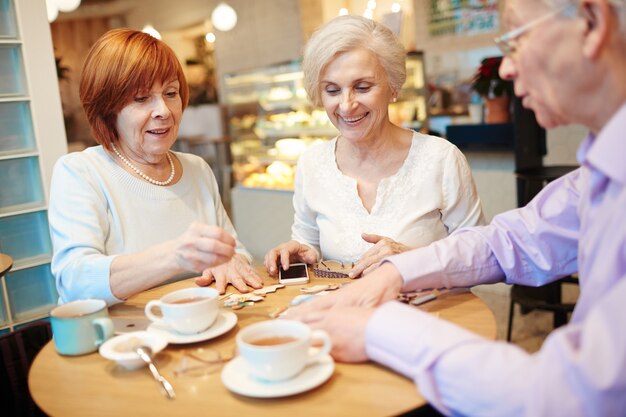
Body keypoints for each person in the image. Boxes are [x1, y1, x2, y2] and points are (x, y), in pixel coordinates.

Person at [288, 0, 626, 415]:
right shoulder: (600, 169)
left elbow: (569, 396)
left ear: (591, 23)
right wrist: (396, 272)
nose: (504, 68)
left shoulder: (439, 157)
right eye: (332, 89)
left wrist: (380, 329)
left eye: (516, 37)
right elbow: (511, 239)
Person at [49, 29, 262, 305]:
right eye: (141, 98)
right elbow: (75, 281)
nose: (163, 110)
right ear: (107, 108)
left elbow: (235, 251)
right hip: (126, 341)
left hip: (201, 331)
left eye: (171, 93)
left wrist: (229, 261)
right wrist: (175, 256)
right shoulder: (81, 172)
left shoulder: (197, 169)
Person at [264, 15, 485, 278]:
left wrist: (414, 258)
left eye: (362, 87)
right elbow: (308, 240)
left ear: (393, 86)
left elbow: (480, 254)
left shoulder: (441, 159)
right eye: (332, 91)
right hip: (346, 313)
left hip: (427, 312)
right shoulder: (312, 164)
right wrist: (299, 250)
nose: (346, 105)